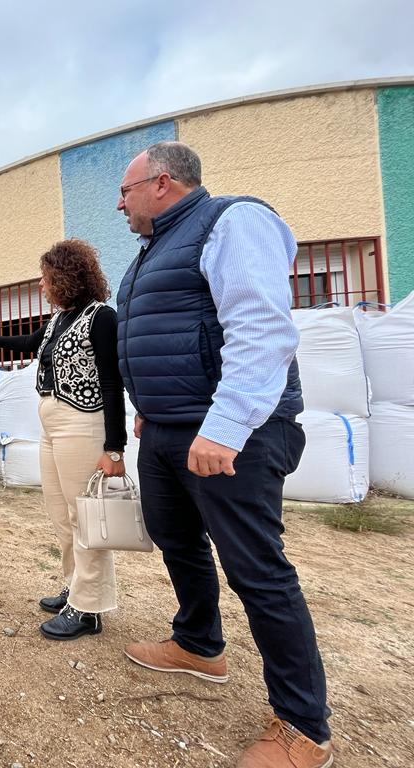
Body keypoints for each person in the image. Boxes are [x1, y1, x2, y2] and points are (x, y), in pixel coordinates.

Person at [114, 141, 332, 767]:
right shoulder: (153, 251)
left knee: (257, 570)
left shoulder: (233, 222)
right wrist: (152, 406)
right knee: (174, 538)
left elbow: (260, 328)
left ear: (162, 183)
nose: (121, 204)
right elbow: (172, 336)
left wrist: (226, 424)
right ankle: (199, 644)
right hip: (165, 430)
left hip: (229, 432)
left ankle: (303, 726)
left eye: (125, 192)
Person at [0, 239, 126, 641]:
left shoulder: (102, 318)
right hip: (52, 427)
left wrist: (115, 448)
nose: (43, 286)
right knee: (61, 516)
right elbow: (31, 343)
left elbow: (113, 384)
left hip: (83, 426)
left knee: (84, 517)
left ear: (66, 276)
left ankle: (89, 608)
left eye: (46, 278)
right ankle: (74, 587)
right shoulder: (60, 320)